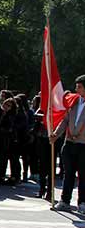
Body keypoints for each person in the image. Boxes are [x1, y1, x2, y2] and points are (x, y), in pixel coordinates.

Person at [49, 75, 85, 213]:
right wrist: (56, 134)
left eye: (79, 86)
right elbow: (65, 121)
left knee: (83, 175)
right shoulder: (73, 102)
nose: (76, 89)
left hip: (83, 144)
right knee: (68, 173)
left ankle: (82, 202)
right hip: (69, 143)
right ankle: (65, 200)